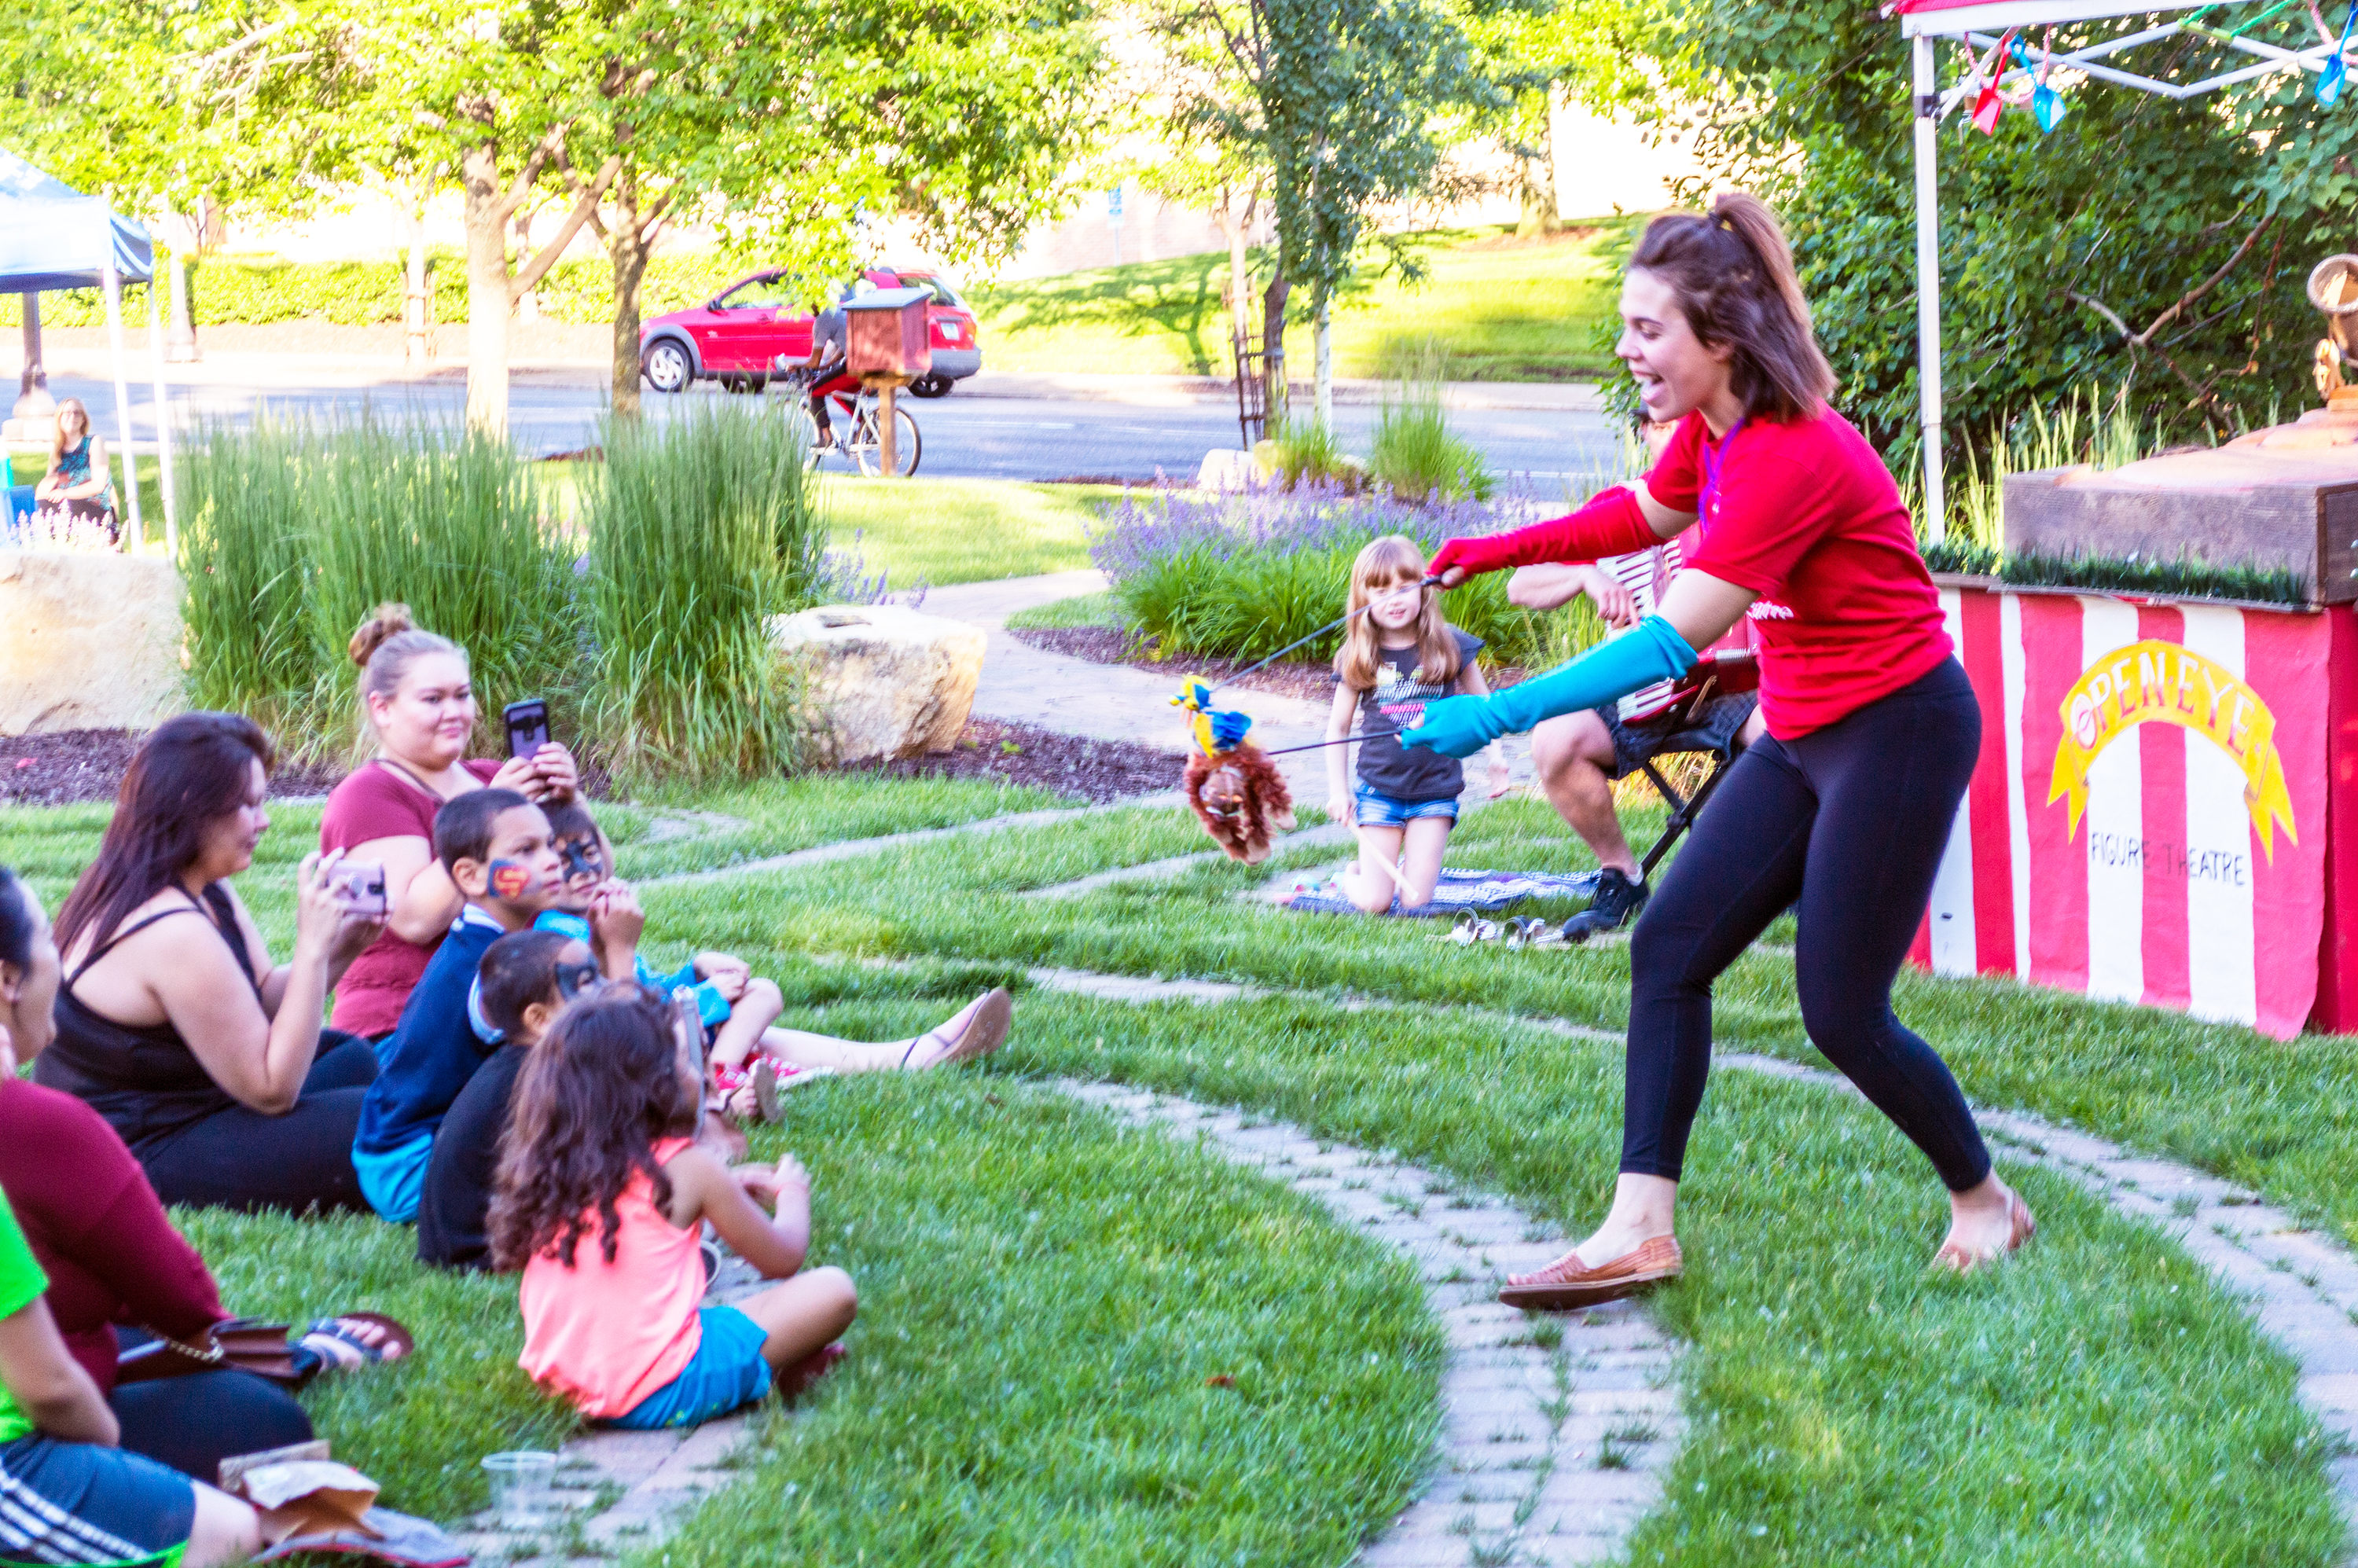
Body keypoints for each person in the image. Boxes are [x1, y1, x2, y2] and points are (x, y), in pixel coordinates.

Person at [1406, 192, 2032, 1307]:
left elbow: (1662, 636)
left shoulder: (1795, 456)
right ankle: (1641, 1225)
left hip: (1897, 730)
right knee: (1673, 943)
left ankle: (1986, 1199)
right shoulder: (1719, 432)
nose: (1627, 348)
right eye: (1627, 325)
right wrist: (1490, 547)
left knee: (1841, 1010)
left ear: (1721, 341)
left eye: (1648, 329)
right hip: (1799, 728)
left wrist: (1495, 714)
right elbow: (1636, 517)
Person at [0, 865, 409, 1482]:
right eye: (47, 943)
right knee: (263, 1422)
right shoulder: (41, 1125)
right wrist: (104, 1447)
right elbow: (182, 1300)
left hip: (43, 1351)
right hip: (34, 1420)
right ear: (8, 979)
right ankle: (303, 1356)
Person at [35, 714, 388, 1214]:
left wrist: (344, 946)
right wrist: (310, 949)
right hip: (134, 1147)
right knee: (369, 1120)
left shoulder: (197, 884)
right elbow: (272, 1091)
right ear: (190, 808)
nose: (264, 820)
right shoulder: (168, 928)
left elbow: (263, 994)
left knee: (349, 1057)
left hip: (191, 1096)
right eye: (248, 805)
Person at [492, 986, 858, 1429]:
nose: (694, 1072)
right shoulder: (689, 1168)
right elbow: (784, 1257)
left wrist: (726, 1191)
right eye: (681, 1059)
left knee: (721, 1317)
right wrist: (792, 1193)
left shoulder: (553, 1168)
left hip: (568, 1386)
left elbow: (641, 1223)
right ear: (650, 1087)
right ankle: (763, 1374)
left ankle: (771, 1370)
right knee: (833, 1290)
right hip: (658, 1389)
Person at [537, 799, 1016, 1109]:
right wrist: (704, 1000)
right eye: (564, 861)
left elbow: (646, 984)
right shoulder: (558, 935)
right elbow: (619, 1022)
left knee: (761, 1005)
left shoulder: (585, 915)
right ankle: (720, 1086)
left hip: (665, 1030)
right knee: (755, 1004)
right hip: (644, 1051)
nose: (583, 870)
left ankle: (907, 1055)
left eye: (589, 853)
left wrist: (694, 971)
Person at [320, 604, 580, 1041]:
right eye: (433, 699)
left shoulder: (488, 775)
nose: (455, 711)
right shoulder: (368, 795)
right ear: (381, 709)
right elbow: (415, 919)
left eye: (463, 695)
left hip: (511, 1003)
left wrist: (573, 803)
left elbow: (578, 882)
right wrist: (493, 812)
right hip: (406, 1023)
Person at [0, 1184, 266, 1568]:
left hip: (58, 1400)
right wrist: (109, 1442)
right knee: (233, 1532)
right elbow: (50, 1388)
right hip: (28, 1439)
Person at [1508, 542, 1763, 941]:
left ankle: (1796, 875)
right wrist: (1584, 575)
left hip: (1739, 684)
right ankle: (1622, 878)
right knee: (1553, 738)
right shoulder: (1632, 513)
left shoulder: (1751, 503)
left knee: (1791, 731)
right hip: (1644, 690)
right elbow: (1520, 585)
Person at [351, 790, 580, 1225]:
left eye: (550, 845)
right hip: (414, 1164)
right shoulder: (490, 971)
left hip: (403, 1146)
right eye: (526, 851)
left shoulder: (496, 944)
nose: (552, 860)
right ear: (473, 878)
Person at [1295, 535, 1508, 913]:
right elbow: (1338, 729)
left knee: (1415, 903)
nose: (1393, 599)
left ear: (1424, 589)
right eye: (1380, 590)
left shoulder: (1449, 644)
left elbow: (1486, 706)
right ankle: (1349, 876)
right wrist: (1338, 791)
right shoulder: (1359, 655)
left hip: (1435, 792)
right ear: (1363, 599)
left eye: (1403, 588)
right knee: (1376, 902)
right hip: (1379, 790)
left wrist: (1497, 758)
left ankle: (1399, 864)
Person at [417, 929, 585, 1272]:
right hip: (483, 1254)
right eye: (583, 985)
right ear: (540, 1019)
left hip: (464, 1245)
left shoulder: (527, 1062)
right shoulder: (549, 1078)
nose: (603, 993)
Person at [31, 398, 119, 545]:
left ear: (84, 419)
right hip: (68, 509)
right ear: (59, 419)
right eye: (67, 413)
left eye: (77, 413)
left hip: (94, 510)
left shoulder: (93, 443)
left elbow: (98, 485)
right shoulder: (57, 450)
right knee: (36, 511)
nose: (72, 417)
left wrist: (65, 493)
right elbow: (46, 487)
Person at [801, 285, 858, 450]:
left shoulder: (821, 321)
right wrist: (827, 364)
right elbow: (843, 345)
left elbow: (813, 362)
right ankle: (867, 427)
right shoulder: (836, 311)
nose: (807, 308)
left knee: (813, 390)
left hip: (853, 365)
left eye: (808, 304)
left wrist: (794, 366)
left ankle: (827, 439)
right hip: (862, 361)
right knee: (839, 393)